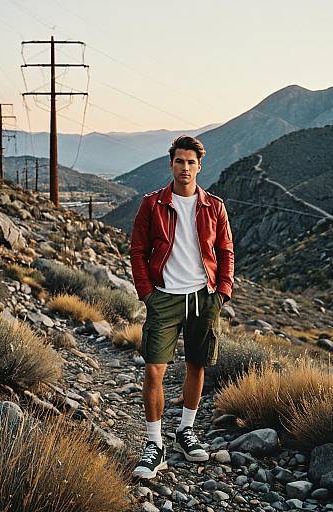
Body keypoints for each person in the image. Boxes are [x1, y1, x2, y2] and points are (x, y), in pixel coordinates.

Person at [129, 135, 234, 479]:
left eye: (191, 162)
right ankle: (154, 444)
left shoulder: (214, 206)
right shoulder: (153, 204)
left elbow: (225, 251)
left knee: (197, 365)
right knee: (153, 370)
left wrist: (221, 294)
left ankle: (185, 432)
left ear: (199, 166)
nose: (185, 167)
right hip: (165, 298)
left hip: (204, 298)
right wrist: (147, 294)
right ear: (171, 164)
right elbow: (138, 251)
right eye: (179, 161)